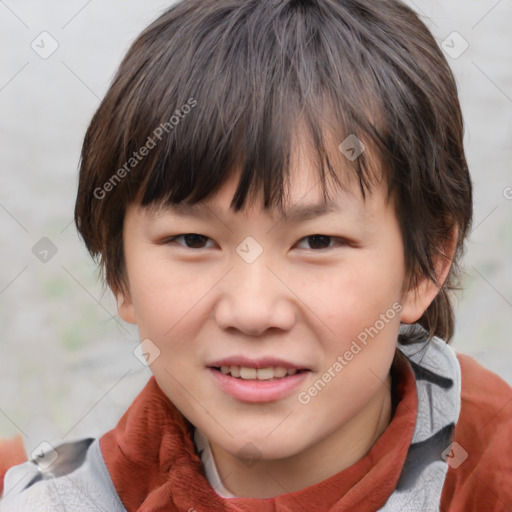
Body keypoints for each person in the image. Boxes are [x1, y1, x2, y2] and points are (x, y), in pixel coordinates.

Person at [1, 0, 511, 510]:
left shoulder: (490, 473)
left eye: (317, 242)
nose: (251, 311)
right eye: (193, 241)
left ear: (424, 267)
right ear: (120, 274)